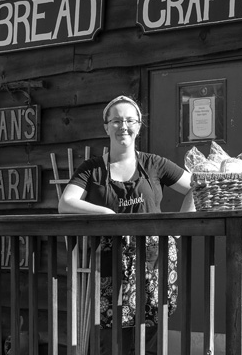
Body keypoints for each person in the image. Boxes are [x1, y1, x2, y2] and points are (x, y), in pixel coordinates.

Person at [58, 95, 195, 355]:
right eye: (117, 120)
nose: (123, 126)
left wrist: (179, 226)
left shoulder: (155, 164)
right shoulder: (93, 169)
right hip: (108, 264)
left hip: (153, 262)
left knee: (149, 335)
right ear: (106, 127)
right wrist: (107, 213)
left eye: (130, 120)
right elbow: (66, 202)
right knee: (110, 339)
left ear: (139, 126)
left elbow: (196, 189)